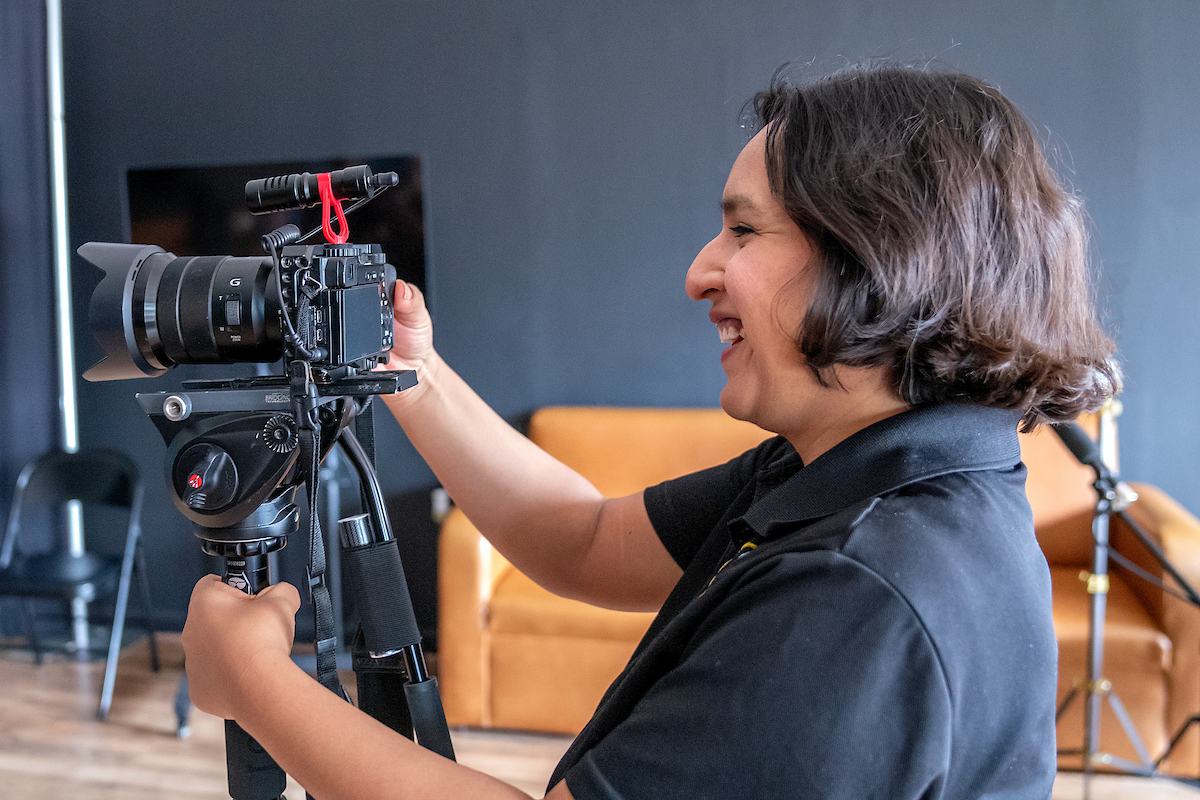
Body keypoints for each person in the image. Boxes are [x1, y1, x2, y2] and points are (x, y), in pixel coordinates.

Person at [182, 61, 1119, 799]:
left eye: (744, 232)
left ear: (881, 255)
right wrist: (408, 370)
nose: (700, 273)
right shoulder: (871, 475)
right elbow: (585, 541)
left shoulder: (856, 595)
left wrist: (256, 681)